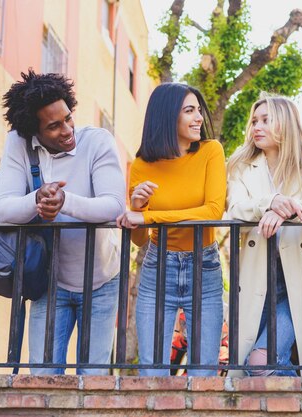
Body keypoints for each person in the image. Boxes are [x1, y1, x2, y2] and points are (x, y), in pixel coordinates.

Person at [0, 70, 126, 374]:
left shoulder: (97, 141)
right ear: (33, 130)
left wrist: (66, 202)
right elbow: (4, 209)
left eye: (68, 118)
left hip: (102, 280)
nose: (67, 130)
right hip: (48, 284)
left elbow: (114, 204)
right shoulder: (18, 144)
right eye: (54, 126)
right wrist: (37, 199)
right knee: (42, 380)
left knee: (92, 383)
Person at [117, 83, 226, 376]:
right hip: (157, 267)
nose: (199, 117)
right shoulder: (142, 165)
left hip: (204, 266)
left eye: (199, 110)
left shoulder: (210, 152)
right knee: (152, 374)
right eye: (189, 110)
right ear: (167, 117)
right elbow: (139, 238)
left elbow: (213, 211)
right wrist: (138, 207)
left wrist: (150, 217)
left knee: (203, 374)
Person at [226, 95, 302, 376]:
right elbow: (235, 209)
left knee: (260, 363)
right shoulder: (241, 165)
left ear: (285, 123)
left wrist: (285, 210)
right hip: (255, 280)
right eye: (254, 121)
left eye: (265, 120)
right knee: (250, 369)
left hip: (297, 281)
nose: (256, 127)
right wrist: (269, 202)